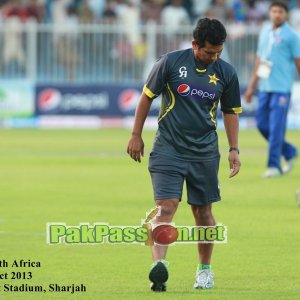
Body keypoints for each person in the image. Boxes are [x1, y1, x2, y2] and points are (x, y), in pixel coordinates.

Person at [127, 18, 242, 291]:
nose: (214, 57)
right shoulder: (170, 63)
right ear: (194, 45)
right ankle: (160, 267)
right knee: (165, 208)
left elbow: (230, 113)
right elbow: (146, 97)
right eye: (209, 51)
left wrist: (234, 149)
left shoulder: (226, 73)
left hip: (204, 153)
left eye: (219, 52)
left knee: (203, 213)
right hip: (168, 149)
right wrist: (135, 134)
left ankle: (204, 270)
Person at [244, 1, 300, 178]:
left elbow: (298, 61)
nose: (277, 14)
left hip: (282, 88)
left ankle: (274, 166)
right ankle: (290, 151)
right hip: (265, 87)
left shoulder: (291, 36)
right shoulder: (265, 32)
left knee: (276, 128)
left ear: (286, 14)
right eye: (274, 11)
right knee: (261, 124)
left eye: (280, 12)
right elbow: (261, 60)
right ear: (269, 13)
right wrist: (252, 86)